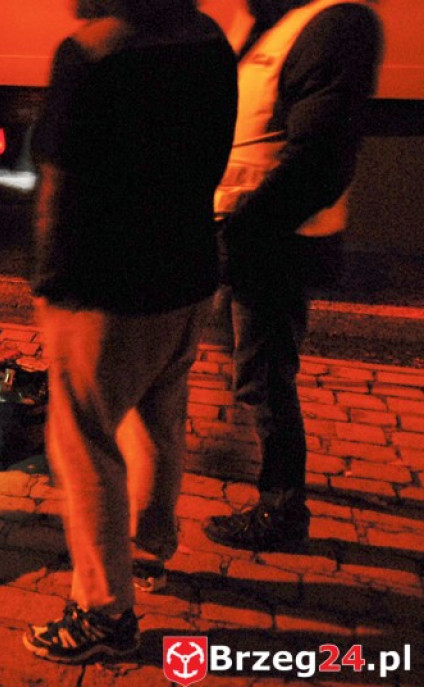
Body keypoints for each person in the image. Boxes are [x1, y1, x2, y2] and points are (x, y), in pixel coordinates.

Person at [22, 0, 237, 665]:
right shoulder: (208, 38)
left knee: (85, 441)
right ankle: (148, 551)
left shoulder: (91, 52)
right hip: (190, 271)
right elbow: (217, 153)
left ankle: (103, 613)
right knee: (159, 418)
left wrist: (48, 280)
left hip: (107, 287)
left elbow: (58, 183)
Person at [203, 0, 382, 552]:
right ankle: (248, 458)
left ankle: (282, 509)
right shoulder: (275, 22)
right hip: (247, 234)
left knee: (265, 375)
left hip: (275, 242)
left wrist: (244, 232)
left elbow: (320, 158)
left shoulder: (335, 23)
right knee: (249, 363)